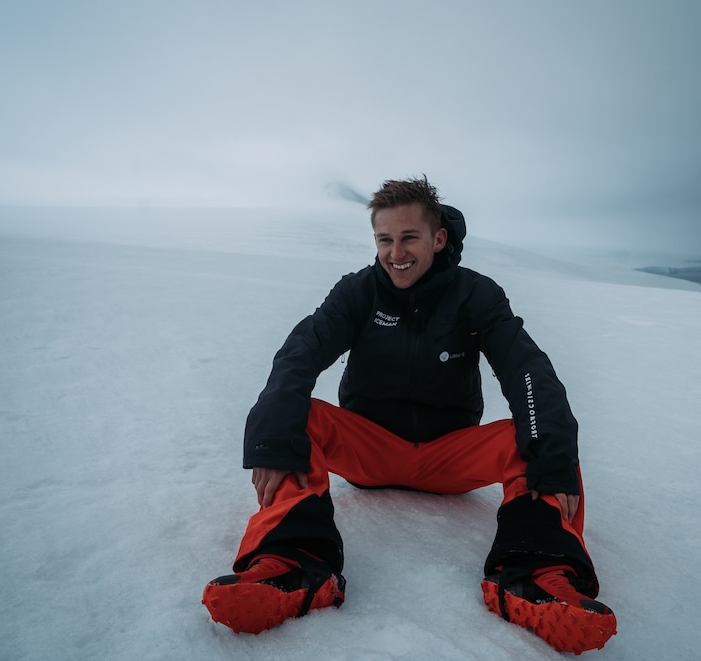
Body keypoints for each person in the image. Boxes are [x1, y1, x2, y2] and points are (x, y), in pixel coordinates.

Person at [202, 177, 616, 655]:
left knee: (536, 438)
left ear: (438, 238)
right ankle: (292, 565)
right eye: (385, 239)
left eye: (409, 238)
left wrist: (553, 458)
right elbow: (299, 354)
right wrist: (272, 441)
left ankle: (538, 575)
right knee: (297, 417)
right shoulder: (358, 292)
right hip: (369, 451)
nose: (395, 253)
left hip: (447, 456)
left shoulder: (475, 296)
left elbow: (528, 370)